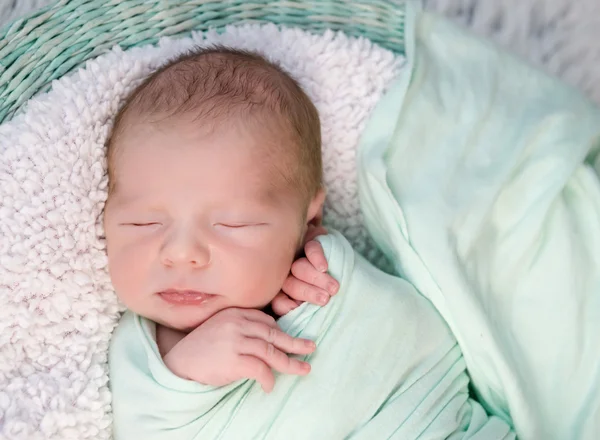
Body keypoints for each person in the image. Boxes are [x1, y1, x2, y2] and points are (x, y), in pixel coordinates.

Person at [106, 46, 514, 439]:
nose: (181, 253)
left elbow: (418, 342)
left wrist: (330, 279)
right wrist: (187, 369)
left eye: (232, 223)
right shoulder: (134, 354)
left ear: (308, 221)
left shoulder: (322, 277)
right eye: (144, 222)